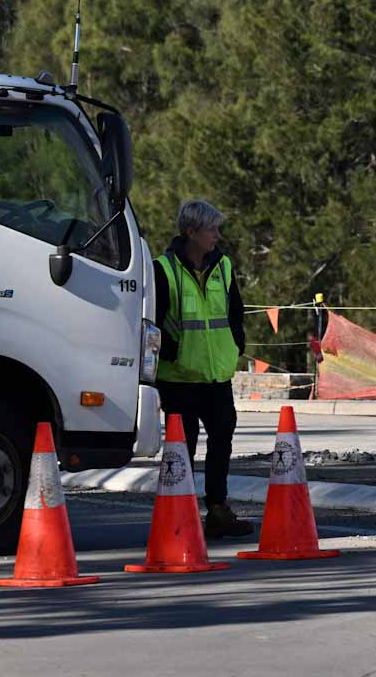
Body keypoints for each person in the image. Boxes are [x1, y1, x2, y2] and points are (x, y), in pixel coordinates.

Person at [154, 199, 252, 539]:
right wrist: (172, 351)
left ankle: (218, 510)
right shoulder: (162, 269)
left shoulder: (223, 266)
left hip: (215, 376)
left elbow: (235, 311)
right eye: (212, 229)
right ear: (191, 232)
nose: (218, 235)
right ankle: (176, 516)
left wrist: (236, 345)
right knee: (183, 449)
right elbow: (151, 321)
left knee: (222, 440)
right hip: (178, 378)